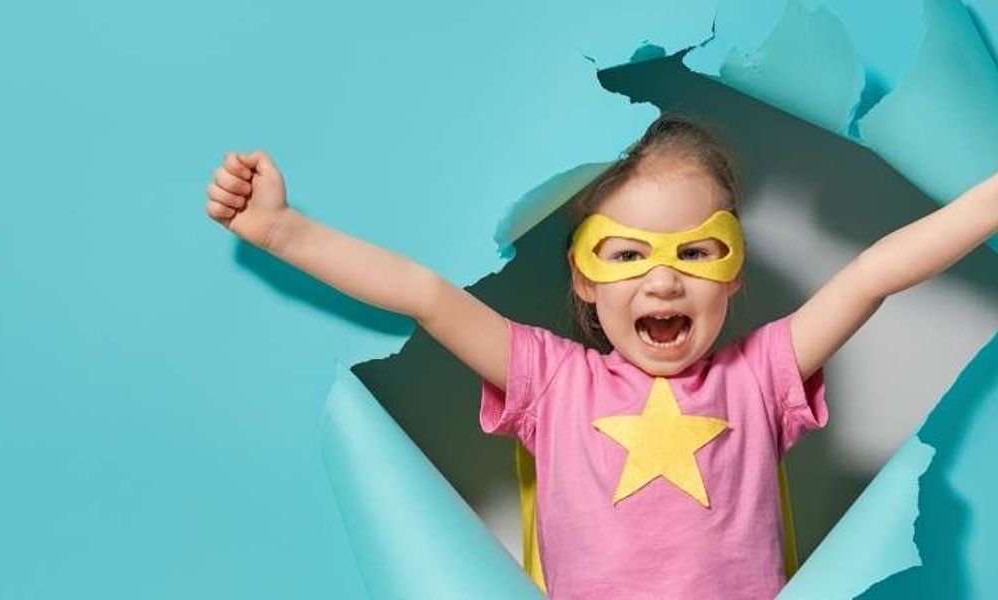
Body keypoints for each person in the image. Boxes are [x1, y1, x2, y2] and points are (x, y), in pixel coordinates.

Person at [204, 114, 998, 599]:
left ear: (732, 274)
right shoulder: (551, 382)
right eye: (628, 256)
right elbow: (424, 293)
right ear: (585, 279)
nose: (662, 280)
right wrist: (283, 233)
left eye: (695, 253)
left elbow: (873, 274)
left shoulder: (761, 377)